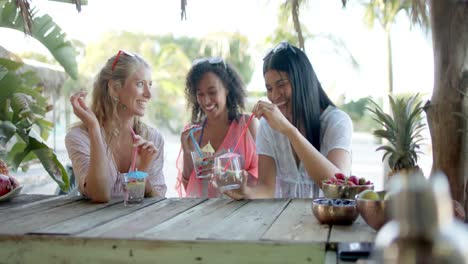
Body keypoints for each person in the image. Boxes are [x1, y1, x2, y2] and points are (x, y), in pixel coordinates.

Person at [224, 41, 352, 199]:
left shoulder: (337, 122)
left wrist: (290, 131)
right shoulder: (267, 126)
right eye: (269, 88)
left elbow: (340, 189)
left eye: (282, 85)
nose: (274, 96)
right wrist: (246, 192)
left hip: (328, 220)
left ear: (302, 82)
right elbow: (266, 188)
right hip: (282, 220)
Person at [65, 50, 167, 203]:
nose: (148, 94)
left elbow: (160, 201)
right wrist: (94, 128)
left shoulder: (152, 138)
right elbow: (100, 195)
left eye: (150, 85)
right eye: (140, 84)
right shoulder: (80, 137)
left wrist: (142, 172)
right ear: (115, 89)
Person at [176, 57, 258, 198]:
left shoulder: (247, 125)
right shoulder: (193, 132)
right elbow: (188, 184)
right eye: (200, 94)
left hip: (238, 211)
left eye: (212, 92)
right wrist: (187, 151)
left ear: (226, 88)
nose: (206, 100)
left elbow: (262, 177)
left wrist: (224, 170)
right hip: (201, 212)